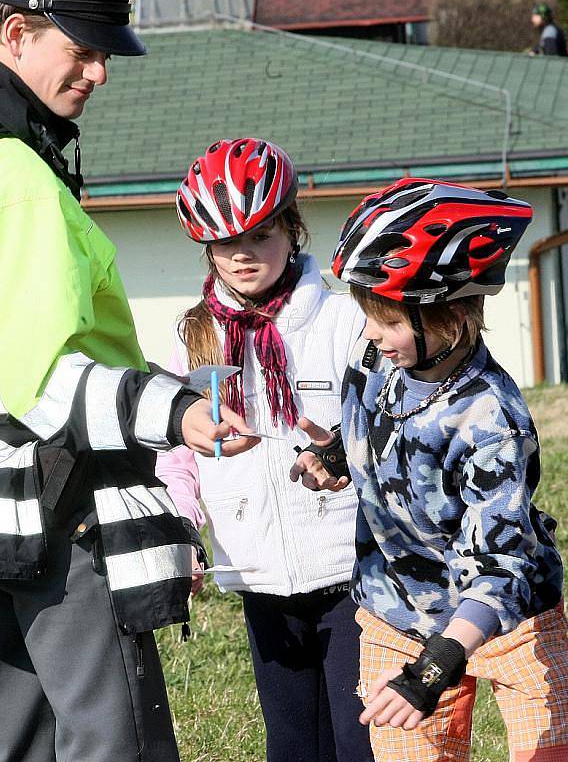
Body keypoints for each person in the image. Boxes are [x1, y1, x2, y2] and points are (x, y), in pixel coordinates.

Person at [0, 0, 257, 761]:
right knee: (112, 735)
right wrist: (177, 412)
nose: (99, 72)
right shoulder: (13, 177)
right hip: (50, 493)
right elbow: (40, 381)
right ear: (16, 32)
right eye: (82, 51)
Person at [290, 178, 568, 762]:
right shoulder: (376, 356)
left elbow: (500, 565)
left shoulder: (491, 420)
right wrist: (339, 454)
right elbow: (377, 422)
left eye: (390, 320)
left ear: (453, 315)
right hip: (398, 604)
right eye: (369, 315)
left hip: (505, 609)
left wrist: (436, 667)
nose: (372, 334)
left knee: (549, 748)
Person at [155, 138, 373, 762]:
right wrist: (181, 525)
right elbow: (178, 451)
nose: (244, 255)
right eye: (226, 244)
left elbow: (381, 425)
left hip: (345, 567)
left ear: (293, 229)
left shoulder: (340, 321)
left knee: (359, 740)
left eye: (261, 236)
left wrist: (338, 454)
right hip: (256, 567)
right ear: (207, 247)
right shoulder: (193, 334)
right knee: (293, 743)